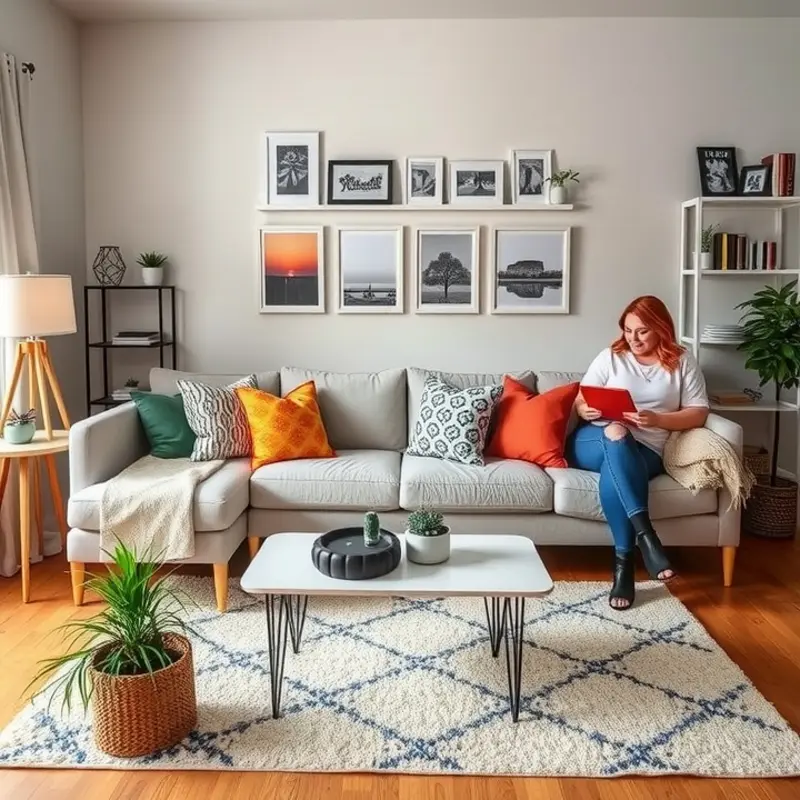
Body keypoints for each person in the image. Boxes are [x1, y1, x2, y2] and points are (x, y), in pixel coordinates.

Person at [567, 295, 710, 611]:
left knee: (614, 471)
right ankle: (647, 537)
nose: (633, 338)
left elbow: (698, 412)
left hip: (647, 449)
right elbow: (580, 400)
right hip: (593, 439)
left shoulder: (682, 361)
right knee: (615, 431)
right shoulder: (611, 357)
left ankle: (624, 567)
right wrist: (586, 409)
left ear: (660, 329)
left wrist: (658, 419)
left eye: (642, 331)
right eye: (628, 330)